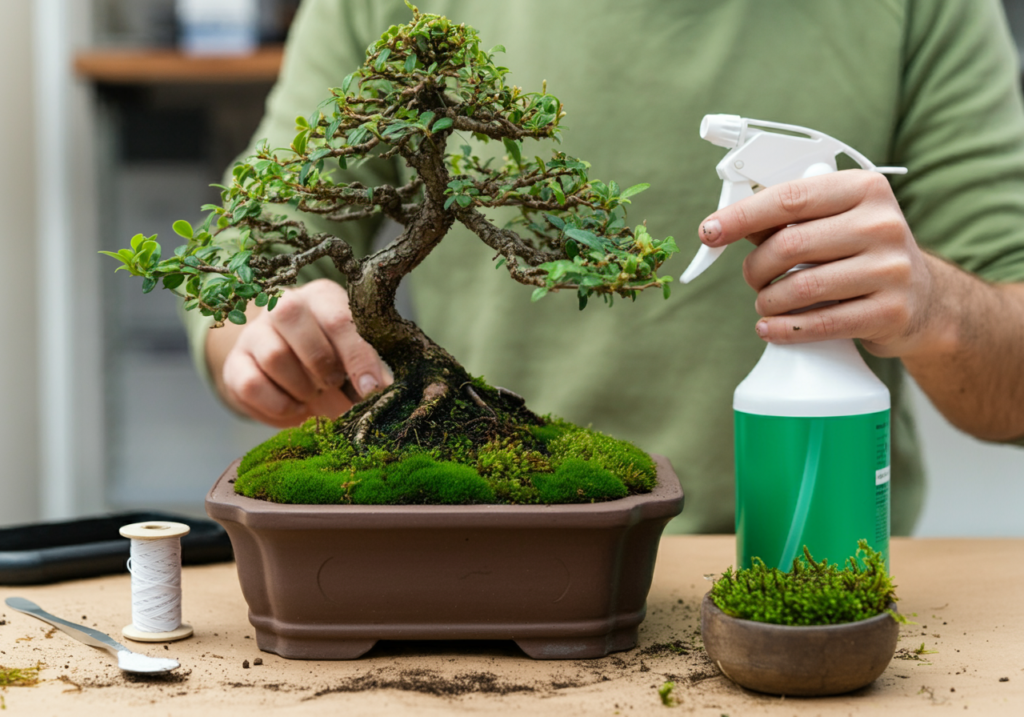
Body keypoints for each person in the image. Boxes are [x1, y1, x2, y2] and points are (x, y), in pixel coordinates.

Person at [187, 0, 1024, 534]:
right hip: (456, 532)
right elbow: (248, 257)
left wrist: (936, 303)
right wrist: (258, 335)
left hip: (799, 549)